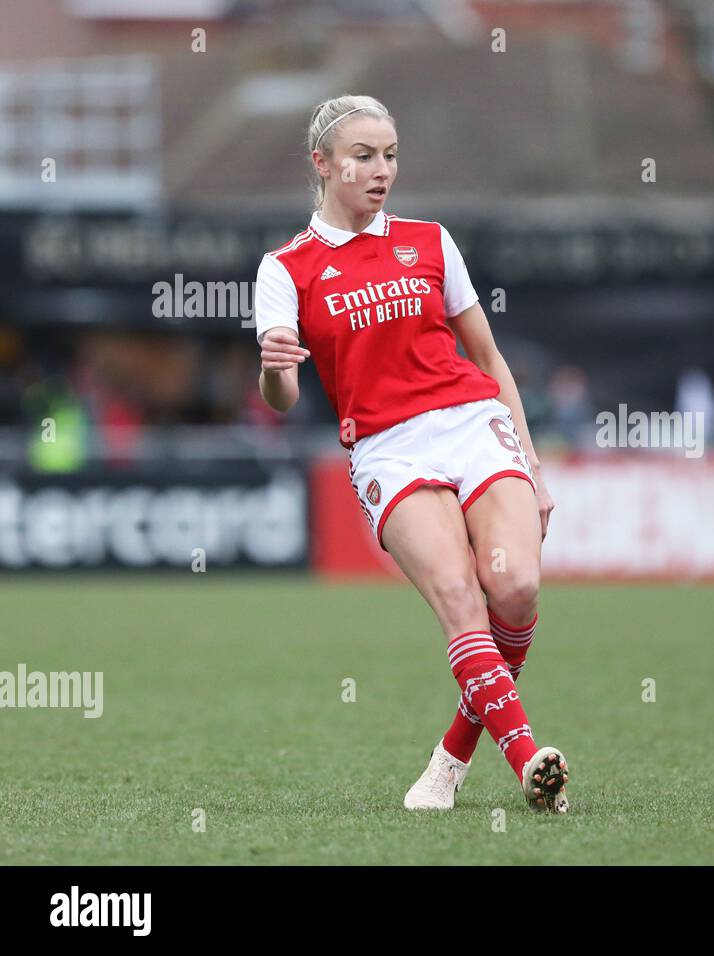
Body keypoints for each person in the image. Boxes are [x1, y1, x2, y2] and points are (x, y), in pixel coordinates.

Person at [254, 94, 570, 813]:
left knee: (514, 586)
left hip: (470, 420)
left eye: (391, 154)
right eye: (364, 155)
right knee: (461, 598)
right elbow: (284, 397)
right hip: (388, 448)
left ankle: (452, 757)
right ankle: (530, 762)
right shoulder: (287, 268)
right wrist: (273, 367)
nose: (382, 170)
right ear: (323, 163)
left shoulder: (430, 240)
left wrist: (534, 465)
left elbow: (488, 356)